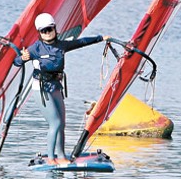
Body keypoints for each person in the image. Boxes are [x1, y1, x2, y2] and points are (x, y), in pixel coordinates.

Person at [13, 12, 109, 165]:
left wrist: (101, 38)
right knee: (55, 123)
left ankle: (62, 156)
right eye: (44, 31)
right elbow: (16, 62)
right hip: (41, 89)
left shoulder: (61, 45)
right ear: (39, 33)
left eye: (50, 29)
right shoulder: (36, 48)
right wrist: (21, 58)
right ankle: (51, 158)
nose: (47, 33)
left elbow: (81, 42)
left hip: (56, 86)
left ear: (55, 29)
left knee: (62, 123)